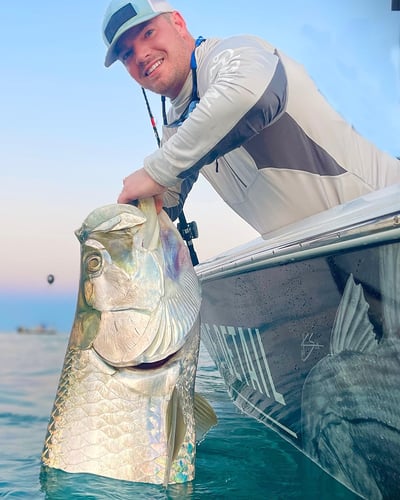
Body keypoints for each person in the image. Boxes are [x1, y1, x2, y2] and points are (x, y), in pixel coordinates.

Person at [102, 0, 400, 236]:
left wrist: (154, 172)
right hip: (333, 262)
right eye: (127, 54)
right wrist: (132, 217)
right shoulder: (176, 127)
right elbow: (167, 201)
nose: (140, 54)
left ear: (178, 23)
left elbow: (252, 95)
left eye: (148, 33)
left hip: (386, 221)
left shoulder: (234, 53)